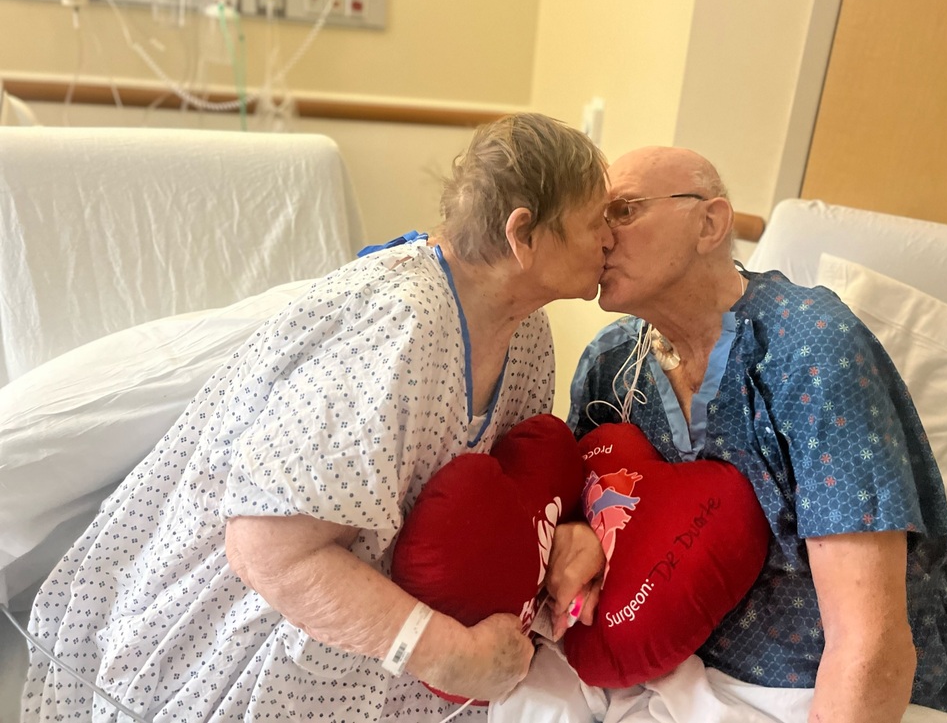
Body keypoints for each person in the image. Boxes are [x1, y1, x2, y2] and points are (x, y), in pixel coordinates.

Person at [20, 113, 614, 722]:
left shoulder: (526, 331)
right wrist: (440, 651)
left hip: (377, 645)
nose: (610, 239)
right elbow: (268, 552)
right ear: (524, 236)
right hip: (248, 639)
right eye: (597, 221)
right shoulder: (400, 328)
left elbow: (508, 496)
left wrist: (558, 542)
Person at [557, 146, 947, 722]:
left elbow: (870, 644)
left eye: (623, 211)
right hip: (680, 671)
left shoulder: (811, 351)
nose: (601, 238)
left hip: (835, 688)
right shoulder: (611, 367)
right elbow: (574, 519)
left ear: (709, 223)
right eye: (597, 220)